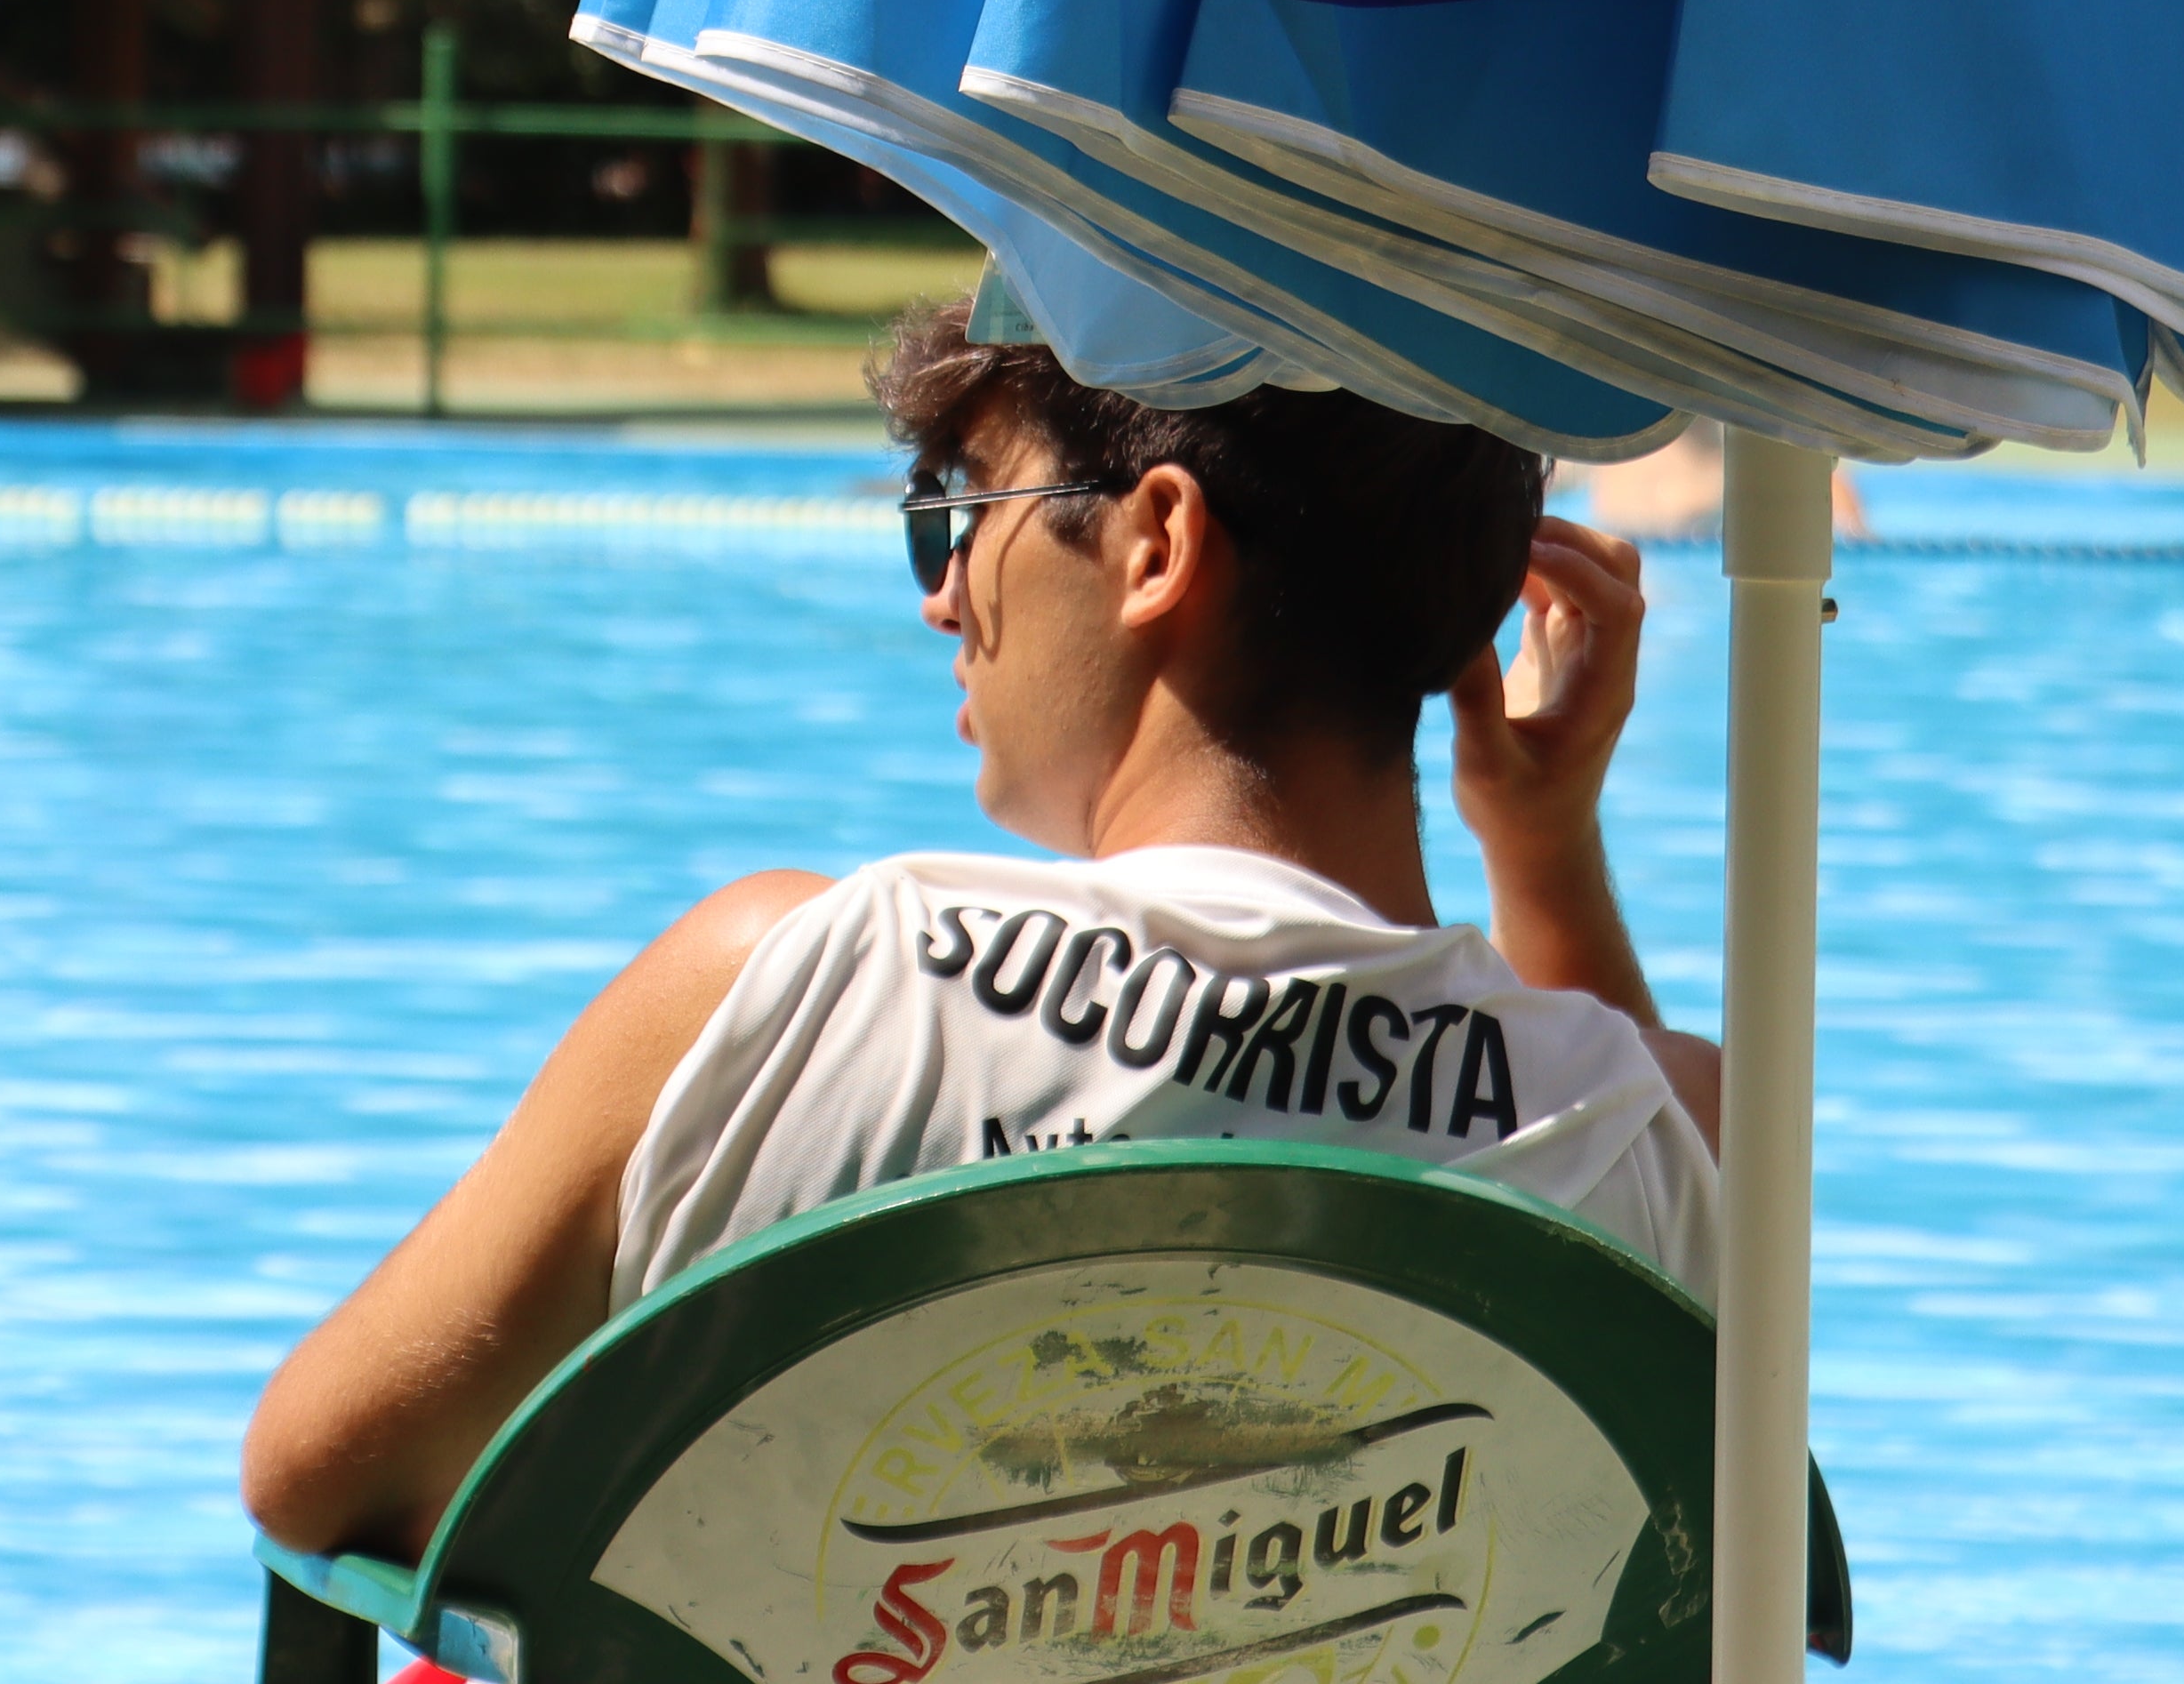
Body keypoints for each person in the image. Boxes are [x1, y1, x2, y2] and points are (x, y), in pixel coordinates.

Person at [243, 300, 1722, 1560]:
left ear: (1155, 543)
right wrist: (1547, 854)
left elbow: (318, 1479)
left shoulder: (786, 993)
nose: (946, 593)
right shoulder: (1658, 1135)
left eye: (963, 507)